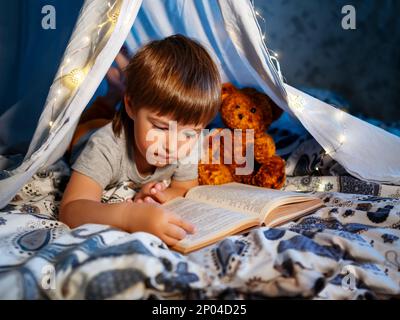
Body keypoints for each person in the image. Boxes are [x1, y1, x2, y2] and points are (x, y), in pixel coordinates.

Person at [60, 34, 221, 246]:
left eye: (190, 133)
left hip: (127, 120)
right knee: (87, 122)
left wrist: (160, 196)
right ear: (131, 106)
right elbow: (71, 209)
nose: (173, 145)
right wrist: (129, 216)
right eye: (161, 127)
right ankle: (114, 94)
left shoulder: (187, 144)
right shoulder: (104, 146)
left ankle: (121, 84)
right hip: (87, 132)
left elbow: (185, 187)